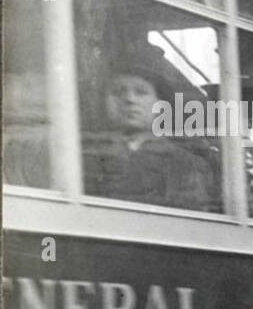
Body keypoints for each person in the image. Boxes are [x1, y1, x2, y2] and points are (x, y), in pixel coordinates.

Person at [81, 48, 219, 211]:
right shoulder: (85, 155)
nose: (129, 99)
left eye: (141, 92)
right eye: (118, 92)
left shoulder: (186, 164)